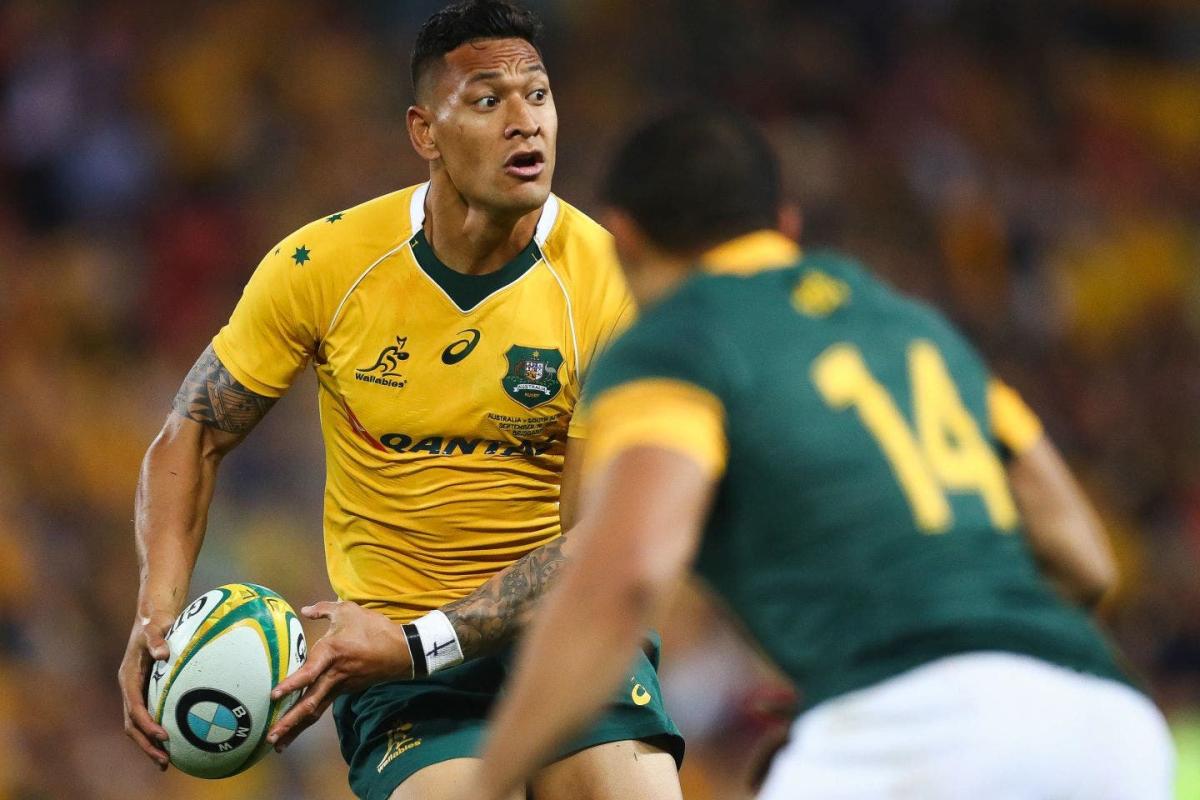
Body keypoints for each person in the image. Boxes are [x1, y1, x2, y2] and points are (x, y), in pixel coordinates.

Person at [459, 109, 1177, 799]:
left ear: (625, 239)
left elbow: (627, 578)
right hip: (1105, 727)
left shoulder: (676, 342)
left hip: (915, 732)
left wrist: (486, 783)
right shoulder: (914, 329)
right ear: (786, 225)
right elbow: (1087, 560)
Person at [116, 3, 683, 798]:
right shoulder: (324, 265)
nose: (525, 122)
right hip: (397, 669)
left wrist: (423, 642)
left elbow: (599, 546)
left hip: (558, 637)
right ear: (425, 132)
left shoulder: (611, 286)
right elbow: (195, 431)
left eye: (538, 95)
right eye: (488, 101)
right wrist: (157, 615)